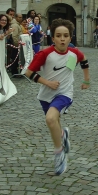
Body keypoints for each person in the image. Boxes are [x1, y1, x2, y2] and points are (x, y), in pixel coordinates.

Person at [25, 18, 90, 175]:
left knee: (50, 119)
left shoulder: (74, 53)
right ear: (52, 38)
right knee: (54, 122)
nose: (62, 39)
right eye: (58, 35)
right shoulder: (45, 54)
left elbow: (84, 60)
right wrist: (47, 82)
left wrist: (86, 80)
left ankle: (59, 153)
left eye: (66, 35)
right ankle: (63, 134)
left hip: (65, 94)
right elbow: (28, 73)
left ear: (70, 37)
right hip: (46, 95)